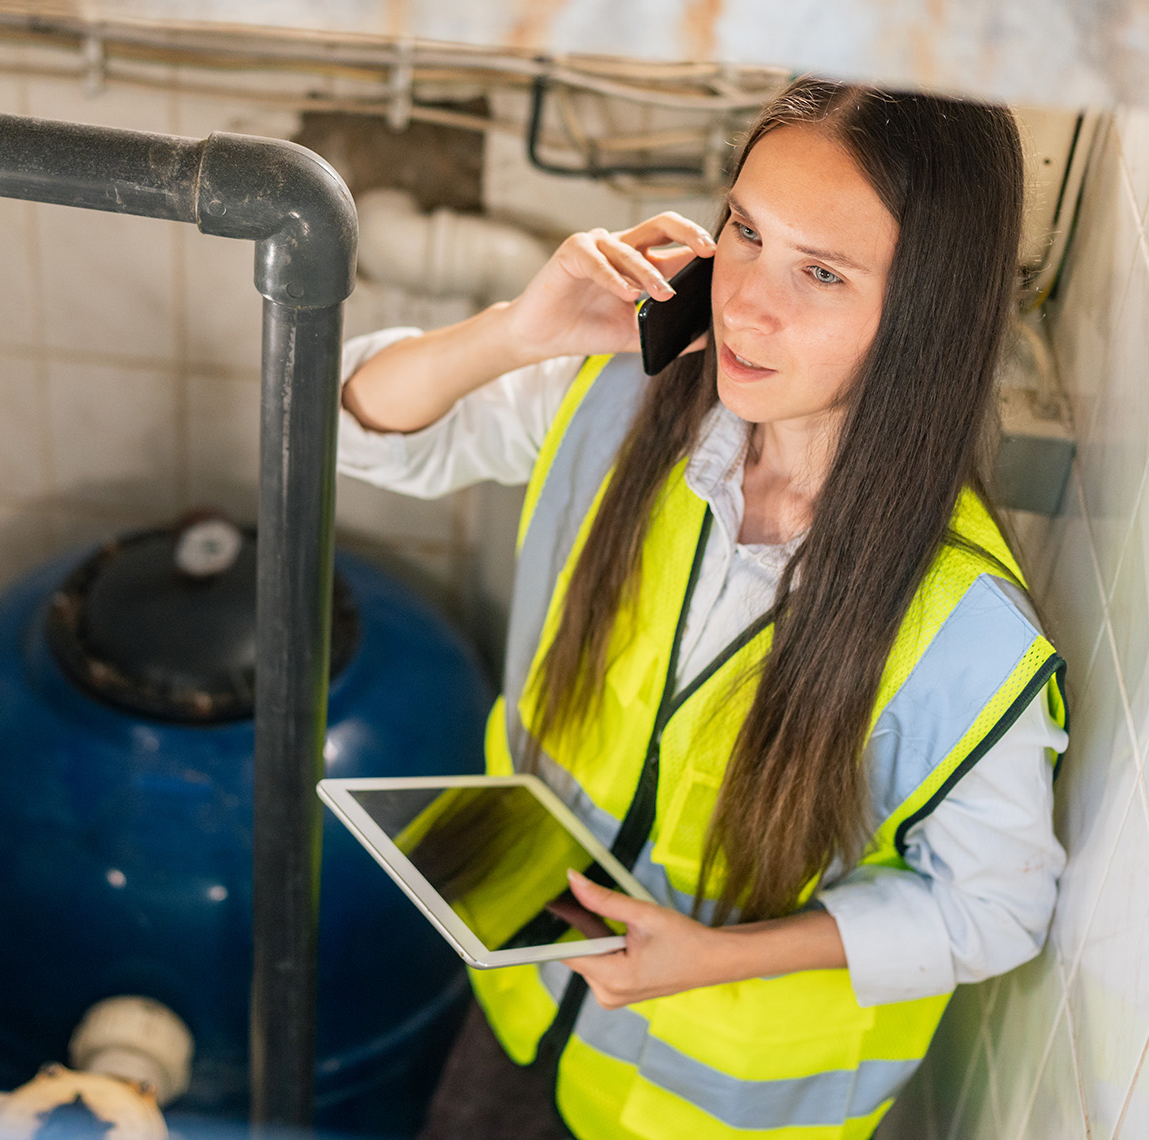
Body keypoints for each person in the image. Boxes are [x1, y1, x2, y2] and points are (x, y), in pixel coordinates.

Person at [338, 77, 1067, 1140]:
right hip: (521, 1011)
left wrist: (718, 958)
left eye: (819, 271)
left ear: (924, 312)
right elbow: (356, 427)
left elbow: (997, 906)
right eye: (745, 232)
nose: (746, 303)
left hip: (708, 1112)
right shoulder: (619, 402)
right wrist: (514, 332)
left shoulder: (964, 630)